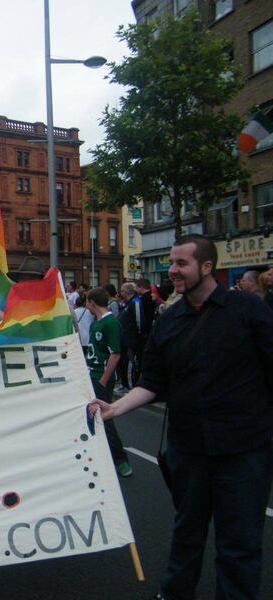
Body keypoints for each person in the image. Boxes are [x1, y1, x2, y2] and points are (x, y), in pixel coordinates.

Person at [90, 234, 273, 600]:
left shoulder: (247, 310)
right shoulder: (169, 321)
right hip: (188, 449)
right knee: (186, 532)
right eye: (171, 263)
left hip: (243, 449)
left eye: (181, 263)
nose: (172, 270)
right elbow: (152, 383)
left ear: (207, 267)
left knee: (239, 542)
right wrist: (114, 409)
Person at [85, 287, 132, 477]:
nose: (86, 305)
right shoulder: (95, 323)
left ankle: (121, 460)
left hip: (101, 377)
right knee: (90, 415)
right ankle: (98, 456)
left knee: (104, 417)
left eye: (87, 301)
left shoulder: (111, 323)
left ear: (92, 302)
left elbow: (115, 354)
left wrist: (104, 380)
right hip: (91, 374)